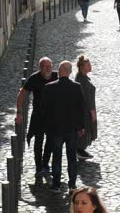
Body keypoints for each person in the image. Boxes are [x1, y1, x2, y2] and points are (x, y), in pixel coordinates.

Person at [43, 61, 86, 193]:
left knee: (56, 157)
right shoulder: (77, 87)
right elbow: (81, 108)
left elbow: (44, 109)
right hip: (72, 129)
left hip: (55, 129)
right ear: (70, 72)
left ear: (60, 71)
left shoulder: (49, 87)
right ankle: (72, 184)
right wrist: (82, 127)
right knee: (71, 157)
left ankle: (56, 184)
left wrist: (47, 127)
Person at [15, 57, 58, 181]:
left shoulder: (56, 76)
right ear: (40, 68)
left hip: (52, 117)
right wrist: (19, 113)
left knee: (50, 142)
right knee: (38, 142)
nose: (48, 68)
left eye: (50, 66)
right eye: (45, 66)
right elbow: (21, 94)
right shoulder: (34, 78)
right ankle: (39, 167)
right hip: (38, 116)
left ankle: (45, 164)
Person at [74, 55, 97, 160]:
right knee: (86, 129)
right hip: (85, 111)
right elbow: (88, 99)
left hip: (84, 110)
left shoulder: (80, 78)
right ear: (83, 67)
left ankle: (80, 150)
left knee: (86, 129)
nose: (90, 66)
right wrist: (93, 113)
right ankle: (79, 150)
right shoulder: (83, 81)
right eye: (88, 65)